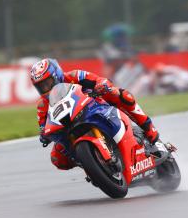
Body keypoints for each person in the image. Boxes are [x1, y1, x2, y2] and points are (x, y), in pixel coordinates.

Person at [30, 58, 159, 170]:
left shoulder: (75, 76)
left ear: (57, 75)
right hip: (69, 128)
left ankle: (148, 127)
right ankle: (93, 165)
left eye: (47, 83)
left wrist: (102, 85)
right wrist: (44, 135)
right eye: (41, 86)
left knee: (120, 94)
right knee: (57, 158)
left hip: (95, 107)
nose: (45, 88)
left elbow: (98, 80)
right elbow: (44, 127)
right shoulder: (42, 106)